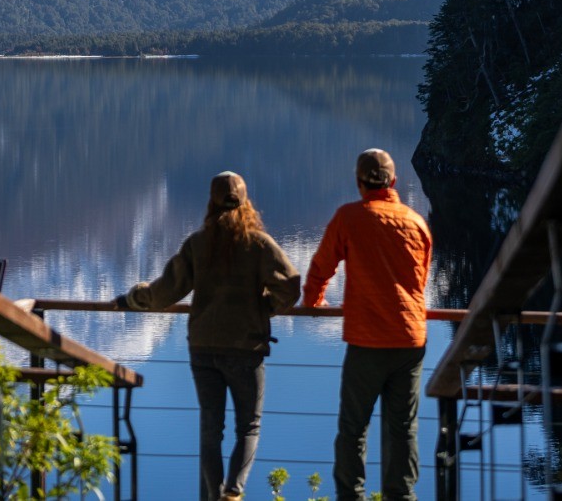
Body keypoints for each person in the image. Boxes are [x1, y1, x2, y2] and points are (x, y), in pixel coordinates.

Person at [114, 171, 300, 501]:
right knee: (249, 426)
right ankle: (233, 490)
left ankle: (211, 498)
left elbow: (163, 293)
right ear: (246, 203)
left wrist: (131, 299)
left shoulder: (198, 244)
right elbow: (290, 285)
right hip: (246, 347)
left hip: (202, 347)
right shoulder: (259, 245)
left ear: (211, 202)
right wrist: (265, 308)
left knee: (210, 430)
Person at [303, 148, 432, 501]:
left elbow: (321, 267)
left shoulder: (349, 218)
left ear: (359, 183)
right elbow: (419, 280)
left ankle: (351, 495)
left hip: (368, 340)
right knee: (403, 427)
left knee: (353, 427)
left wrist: (313, 302)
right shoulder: (417, 222)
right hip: (410, 339)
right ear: (394, 181)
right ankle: (401, 496)